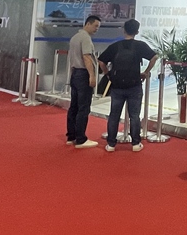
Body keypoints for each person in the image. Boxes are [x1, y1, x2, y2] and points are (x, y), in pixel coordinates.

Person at [98, 18, 157, 153]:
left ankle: (111, 144)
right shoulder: (140, 45)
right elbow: (154, 57)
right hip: (134, 85)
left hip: (117, 86)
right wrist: (146, 72)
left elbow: (101, 61)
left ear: (124, 30)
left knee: (114, 115)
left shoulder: (115, 46)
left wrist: (108, 74)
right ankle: (135, 143)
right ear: (137, 32)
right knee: (134, 115)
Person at [66, 15, 101, 148]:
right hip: (83, 74)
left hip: (75, 73)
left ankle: (71, 136)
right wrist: (92, 76)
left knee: (74, 107)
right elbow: (86, 57)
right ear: (88, 24)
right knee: (83, 107)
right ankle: (81, 139)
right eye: (95, 26)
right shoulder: (85, 38)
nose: (97, 29)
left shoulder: (75, 37)